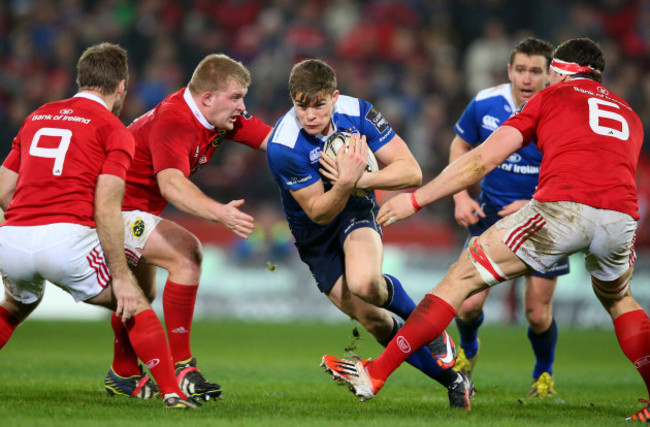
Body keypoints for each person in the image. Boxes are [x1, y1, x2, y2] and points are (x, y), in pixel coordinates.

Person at [322, 38, 649, 421]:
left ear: (561, 70)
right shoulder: (629, 114)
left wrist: (416, 199)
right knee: (619, 299)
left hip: (562, 210)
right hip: (621, 218)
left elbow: (481, 160)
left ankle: (374, 373)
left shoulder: (551, 97)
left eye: (550, 71)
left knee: (460, 278)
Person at [267, 59, 474, 409]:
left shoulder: (358, 112)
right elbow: (317, 210)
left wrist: (359, 180)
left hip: (354, 210)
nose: (310, 114)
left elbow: (411, 172)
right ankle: (455, 380)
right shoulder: (283, 145)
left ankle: (431, 328)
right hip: (314, 235)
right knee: (374, 321)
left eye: (318, 104)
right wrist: (346, 181)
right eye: (302, 105)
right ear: (293, 101)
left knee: (366, 284)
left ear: (334, 97)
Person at [0, 43, 197, 409]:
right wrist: (120, 276)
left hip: (11, 237)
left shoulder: (38, 116)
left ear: (81, 79)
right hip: (65, 240)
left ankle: (133, 377)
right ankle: (172, 393)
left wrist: (32, 223)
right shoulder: (114, 129)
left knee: (15, 305)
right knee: (134, 300)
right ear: (121, 86)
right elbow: (107, 207)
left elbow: (3, 187)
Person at [104, 53, 272, 402]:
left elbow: (275, 142)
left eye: (243, 97)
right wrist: (219, 212)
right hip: (113, 211)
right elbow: (171, 185)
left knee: (141, 295)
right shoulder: (175, 121)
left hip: (137, 210)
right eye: (236, 97)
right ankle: (183, 367)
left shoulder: (220, 116)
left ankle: (123, 372)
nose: (243, 106)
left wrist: (326, 159)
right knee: (187, 254)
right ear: (207, 97)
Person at [447, 37, 565, 398]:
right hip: (490, 218)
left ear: (549, 75)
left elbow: (572, 171)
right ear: (509, 70)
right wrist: (460, 195)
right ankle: (468, 351)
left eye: (535, 71)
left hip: (545, 221)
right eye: (521, 70)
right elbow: (460, 146)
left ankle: (543, 376)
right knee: (467, 305)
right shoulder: (485, 102)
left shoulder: (562, 111)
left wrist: (533, 203)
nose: (527, 78)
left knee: (536, 314)